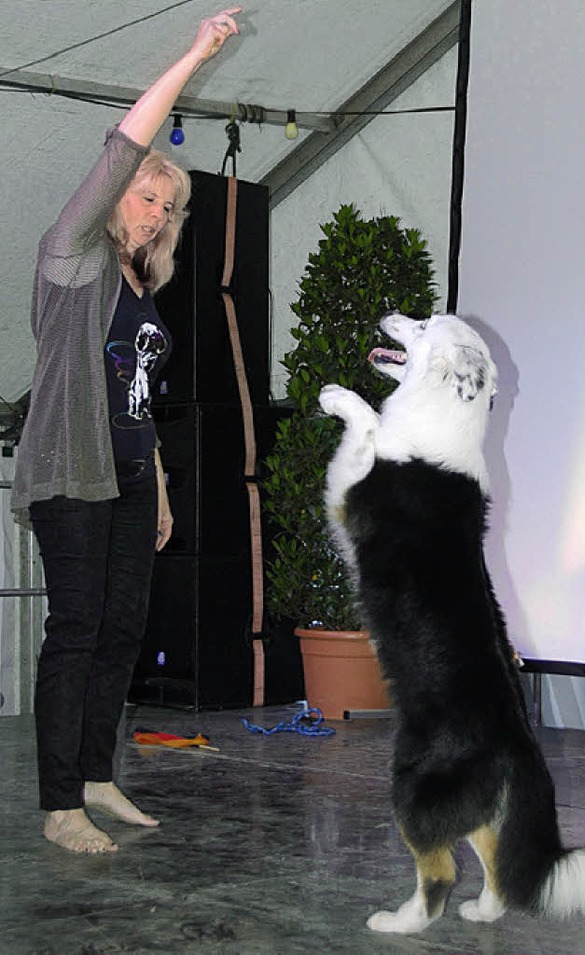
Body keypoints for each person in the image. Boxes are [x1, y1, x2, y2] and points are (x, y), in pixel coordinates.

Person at [11, 8, 242, 854]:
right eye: (145, 195)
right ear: (114, 198)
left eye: (165, 207)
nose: (151, 213)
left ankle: (98, 776)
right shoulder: (70, 258)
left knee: (120, 631)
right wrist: (193, 57)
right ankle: (59, 804)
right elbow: (120, 146)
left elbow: (140, 395)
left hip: (129, 478)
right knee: (75, 629)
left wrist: (162, 487)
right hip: (72, 474)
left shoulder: (140, 292)